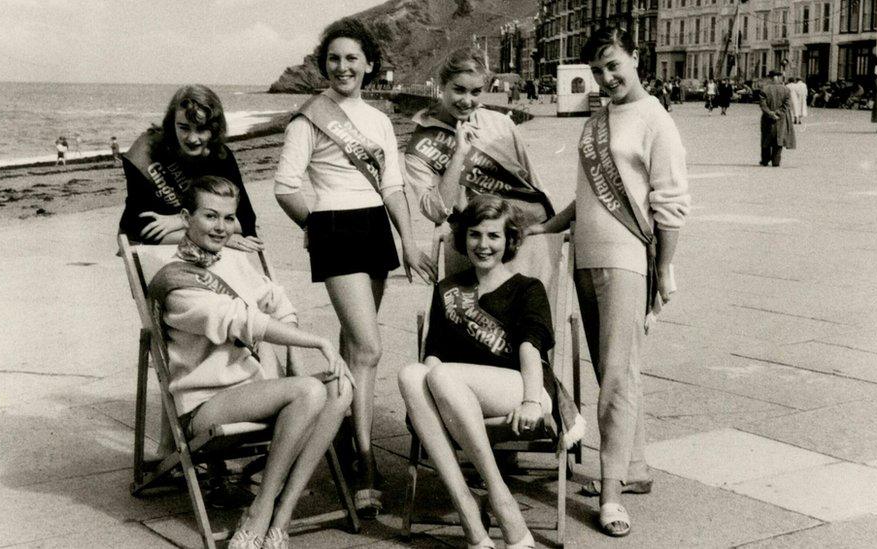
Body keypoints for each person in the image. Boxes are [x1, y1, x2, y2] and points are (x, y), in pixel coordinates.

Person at [528, 26, 690, 538]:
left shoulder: (656, 120)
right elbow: (586, 198)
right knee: (607, 369)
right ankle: (634, 466)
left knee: (618, 373)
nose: (607, 77)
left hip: (627, 258)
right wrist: (547, 227)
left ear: (636, 58)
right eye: (598, 70)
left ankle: (612, 492)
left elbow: (669, 202)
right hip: (586, 255)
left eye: (614, 65)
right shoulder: (598, 120)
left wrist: (664, 268)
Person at [272, 17, 431, 518]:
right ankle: (364, 460)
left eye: (352, 58)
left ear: (368, 64)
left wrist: (409, 239)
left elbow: (392, 186)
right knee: (369, 347)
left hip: (374, 229)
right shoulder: (308, 119)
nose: (343, 67)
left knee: (352, 341)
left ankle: (343, 429)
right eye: (334, 58)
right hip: (336, 229)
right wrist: (316, 226)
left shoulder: (380, 120)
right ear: (325, 64)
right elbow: (285, 185)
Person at [149, 175, 354, 549]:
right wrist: (317, 341)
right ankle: (260, 510)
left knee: (340, 386)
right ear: (185, 216)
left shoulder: (235, 260)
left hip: (257, 391)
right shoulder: (175, 283)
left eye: (229, 218)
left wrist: (292, 351)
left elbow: (276, 299)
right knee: (309, 390)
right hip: (206, 404)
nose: (221, 227)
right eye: (210, 216)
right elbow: (244, 321)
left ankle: (282, 514)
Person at [398, 194, 583, 549]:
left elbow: (531, 348)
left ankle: (500, 499)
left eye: (494, 236)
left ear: (510, 241)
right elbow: (433, 353)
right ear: (464, 238)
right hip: (459, 397)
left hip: (523, 388)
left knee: (438, 376)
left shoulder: (528, 288)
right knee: (412, 374)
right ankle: (468, 510)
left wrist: (531, 401)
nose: (483, 245)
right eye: (475, 235)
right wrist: (434, 390)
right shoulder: (448, 290)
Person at [403, 47, 555, 238]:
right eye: (459, 90)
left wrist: (548, 231)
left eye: (475, 92)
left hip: (524, 232)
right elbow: (436, 212)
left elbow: (534, 184)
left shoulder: (501, 124)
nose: (467, 101)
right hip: (473, 243)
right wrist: (458, 154)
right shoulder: (421, 146)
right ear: (441, 85)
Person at [117, 85, 263, 251]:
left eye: (201, 129)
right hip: (154, 251)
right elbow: (140, 229)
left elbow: (246, 220)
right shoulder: (144, 153)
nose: (192, 138)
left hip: (191, 242)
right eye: (184, 128)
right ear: (172, 125)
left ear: (214, 128)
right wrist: (219, 239)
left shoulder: (221, 157)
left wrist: (180, 221)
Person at [758, 71, 796, 167]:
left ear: (770, 78)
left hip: (767, 118)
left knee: (766, 138)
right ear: (778, 78)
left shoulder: (764, 89)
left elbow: (763, 104)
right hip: (781, 119)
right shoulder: (786, 90)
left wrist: (770, 113)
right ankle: (776, 160)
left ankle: (765, 160)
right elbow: (787, 105)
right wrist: (778, 113)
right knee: (779, 138)